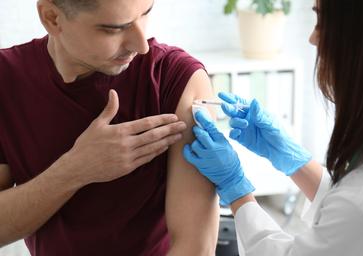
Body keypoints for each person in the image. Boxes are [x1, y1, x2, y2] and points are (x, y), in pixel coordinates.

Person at [0, 0, 219, 255]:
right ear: (52, 18)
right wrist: (75, 170)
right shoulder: (7, 80)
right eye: (114, 29)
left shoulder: (176, 79)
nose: (141, 44)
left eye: (146, 13)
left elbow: (196, 248)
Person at [184, 0, 363, 255]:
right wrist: (286, 154)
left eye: (321, 22)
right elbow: (347, 207)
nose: (313, 39)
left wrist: (236, 188)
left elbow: (354, 212)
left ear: (362, 39)